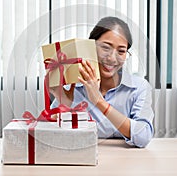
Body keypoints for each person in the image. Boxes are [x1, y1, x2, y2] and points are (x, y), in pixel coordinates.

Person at [50, 16, 154, 148]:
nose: (112, 58)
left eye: (121, 51)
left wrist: (99, 102)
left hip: (125, 162)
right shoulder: (74, 86)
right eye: (105, 48)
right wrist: (64, 106)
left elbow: (143, 136)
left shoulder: (139, 87)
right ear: (90, 47)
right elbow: (49, 135)